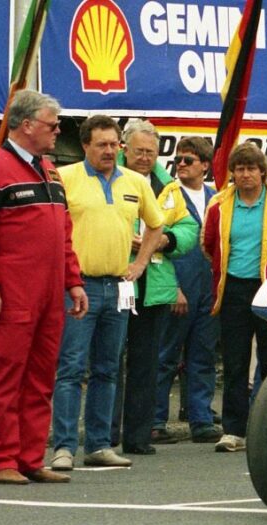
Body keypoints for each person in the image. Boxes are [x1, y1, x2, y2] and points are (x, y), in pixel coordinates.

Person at [0, 89, 86, 485]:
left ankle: (30, 457)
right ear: (26, 124)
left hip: (50, 294)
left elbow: (63, 234)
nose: (58, 130)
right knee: (4, 375)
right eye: (52, 124)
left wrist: (73, 282)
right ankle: (0, 459)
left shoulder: (51, 171)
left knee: (40, 376)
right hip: (14, 292)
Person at [50, 115, 165, 471]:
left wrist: (141, 264)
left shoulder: (134, 181)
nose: (109, 151)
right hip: (78, 285)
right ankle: (64, 446)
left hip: (118, 284)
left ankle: (99, 444)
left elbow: (157, 224)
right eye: (102, 144)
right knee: (71, 368)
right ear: (85, 145)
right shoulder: (64, 177)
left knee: (108, 368)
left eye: (114, 144)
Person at [110, 125, 200, 455]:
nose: (145, 158)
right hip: (116, 275)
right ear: (125, 149)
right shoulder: (109, 175)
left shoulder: (167, 185)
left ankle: (138, 435)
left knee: (145, 362)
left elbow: (189, 228)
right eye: (139, 151)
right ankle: (106, 433)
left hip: (154, 280)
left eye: (151, 152)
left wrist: (164, 239)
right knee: (109, 360)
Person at [202, 142, 267, 453]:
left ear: (264, 172)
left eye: (252, 168)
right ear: (233, 173)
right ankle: (234, 430)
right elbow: (209, 244)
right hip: (234, 290)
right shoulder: (218, 205)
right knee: (235, 361)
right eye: (239, 169)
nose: (246, 174)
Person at [155, 137, 223, 444]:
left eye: (188, 160)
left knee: (203, 354)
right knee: (166, 354)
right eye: (178, 160)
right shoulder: (170, 194)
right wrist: (172, 287)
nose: (181, 165)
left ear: (205, 166)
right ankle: (155, 420)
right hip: (180, 282)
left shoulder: (216, 197)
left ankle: (200, 418)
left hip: (208, 285)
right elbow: (156, 241)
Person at [120, 119, 172, 195]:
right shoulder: (106, 178)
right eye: (139, 151)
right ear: (125, 151)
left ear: (157, 154)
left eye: (149, 152)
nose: (144, 158)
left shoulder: (168, 188)